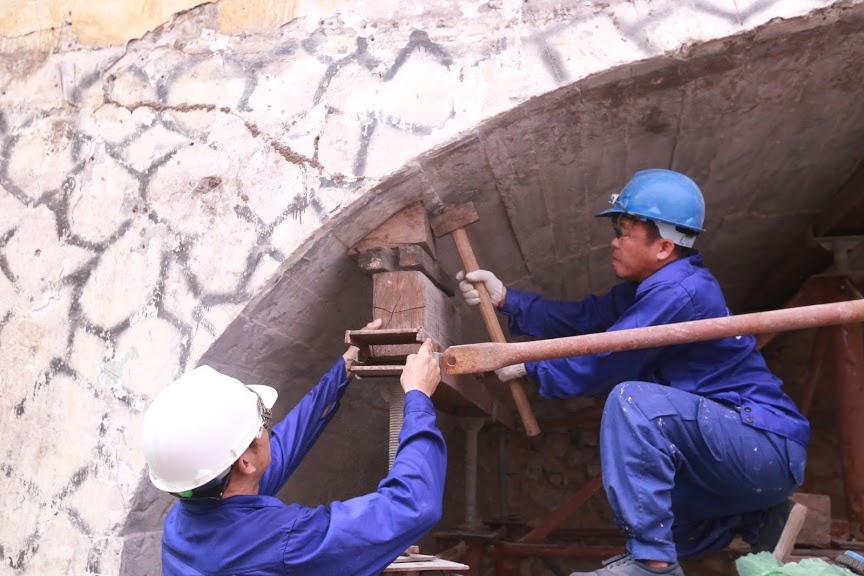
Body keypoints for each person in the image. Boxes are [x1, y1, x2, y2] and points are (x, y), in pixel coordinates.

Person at [456, 169, 810, 576]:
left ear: (662, 247)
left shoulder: (680, 292)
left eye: (624, 231)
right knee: (642, 494)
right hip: (743, 457)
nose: (614, 241)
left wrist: (530, 363)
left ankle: (653, 564)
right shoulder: (652, 287)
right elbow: (587, 320)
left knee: (633, 402)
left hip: (764, 445)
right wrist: (508, 300)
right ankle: (755, 518)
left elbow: (609, 355)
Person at [140, 318, 446, 576]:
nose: (268, 431)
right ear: (245, 462)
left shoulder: (182, 521)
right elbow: (413, 505)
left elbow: (284, 446)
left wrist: (343, 367)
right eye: (261, 426)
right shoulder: (284, 541)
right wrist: (418, 396)